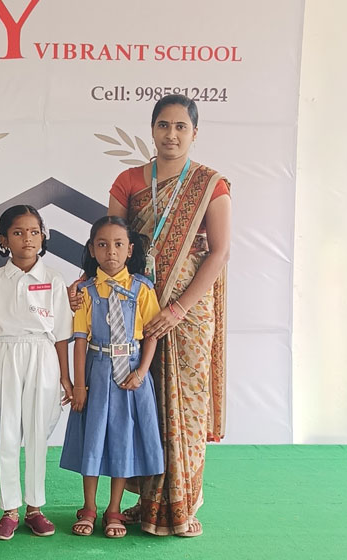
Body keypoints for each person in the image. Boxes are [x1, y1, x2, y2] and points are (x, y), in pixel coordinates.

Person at [107, 94, 231, 537]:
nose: (171, 135)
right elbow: (112, 246)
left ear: (195, 133)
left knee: (187, 403)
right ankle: (146, 503)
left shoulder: (210, 185)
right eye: (163, 125)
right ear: (152, 129)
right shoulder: (128, 181)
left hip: (189, 312)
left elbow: (219, 253)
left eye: (181, 127)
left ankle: (183, 505)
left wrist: (177, 309)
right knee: (144, 404)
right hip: (138, 306)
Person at [60, 216, 164, 538]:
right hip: (98, 368)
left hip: (130, 373)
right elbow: (80, 340)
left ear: (130, 249)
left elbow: (151, 334)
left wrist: (142, 372)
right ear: (92, 250)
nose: (111, 252)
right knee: (93, 437)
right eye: (102, 245)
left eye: (118, 244)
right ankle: (89, 507)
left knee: (123, 438)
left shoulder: (142, 289)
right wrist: (79, 385)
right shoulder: (85, 291)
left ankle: (114, 508)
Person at [0, 205, 73, 540]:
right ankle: (9, 509)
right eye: (18, 233)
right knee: (6, 433)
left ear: (43, 236)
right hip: (4, 355)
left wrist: (65, 377)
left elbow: (61, 334)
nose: (27, 239)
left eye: (34, 232)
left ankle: (35, 508)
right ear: (4, 239)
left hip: (43, 354)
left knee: (37, 433)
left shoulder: (54, 279)